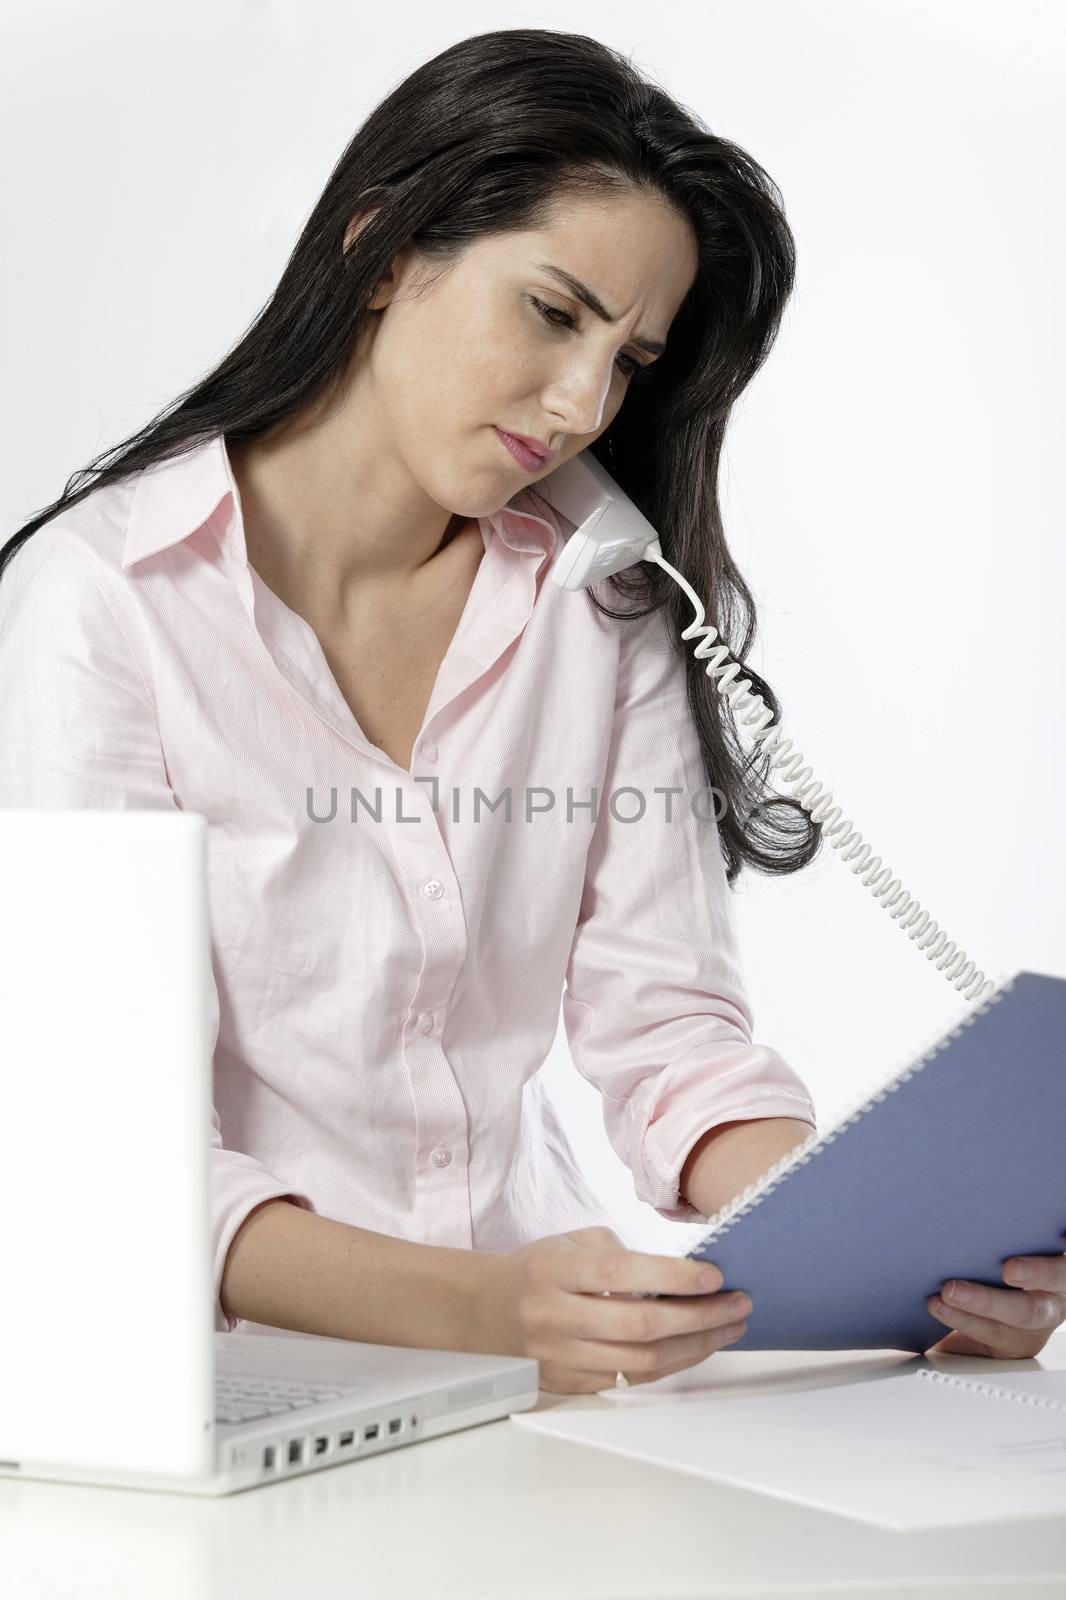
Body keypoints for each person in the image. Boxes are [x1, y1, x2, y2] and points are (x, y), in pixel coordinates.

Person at [3, 29, 1059, 1394]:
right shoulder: (101, 604)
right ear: (384, 250)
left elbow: (667, 1032)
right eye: (552, 313)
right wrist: (484, 1308)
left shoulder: (596, 600)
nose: (580, 404)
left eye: (629, 360)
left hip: (544, 1374)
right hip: (227, 1390)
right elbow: (102, 1146)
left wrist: (903, 1257)